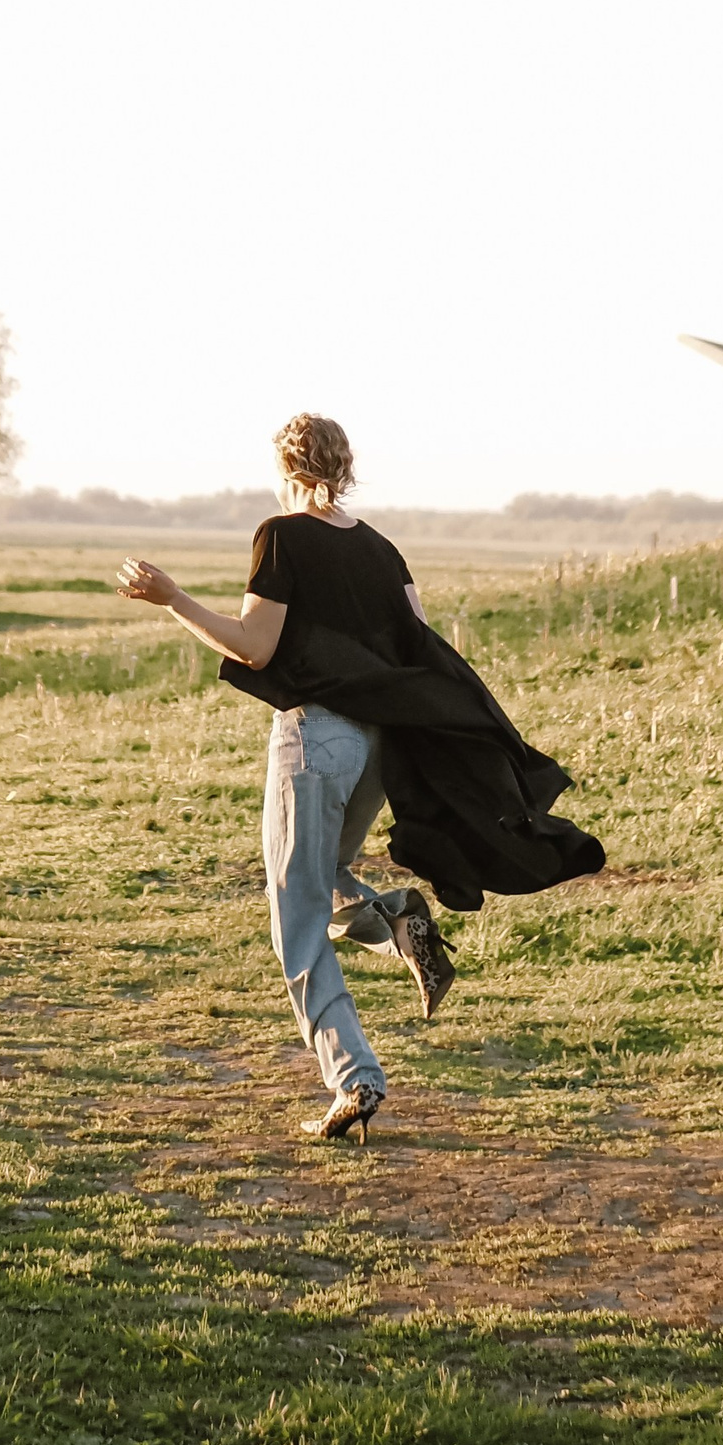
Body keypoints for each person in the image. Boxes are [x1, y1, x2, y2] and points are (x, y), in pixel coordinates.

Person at [118, 412, 462, 1144]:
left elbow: (255, 646)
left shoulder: (282, 534)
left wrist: (172, 598)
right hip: (376, 747)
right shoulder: (383, 550)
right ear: (345, 467)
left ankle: (355, 1078)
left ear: (287, 470)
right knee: (325, 870)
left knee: (296, 915)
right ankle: (399, 921)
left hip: (315, 738)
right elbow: (421, 645)